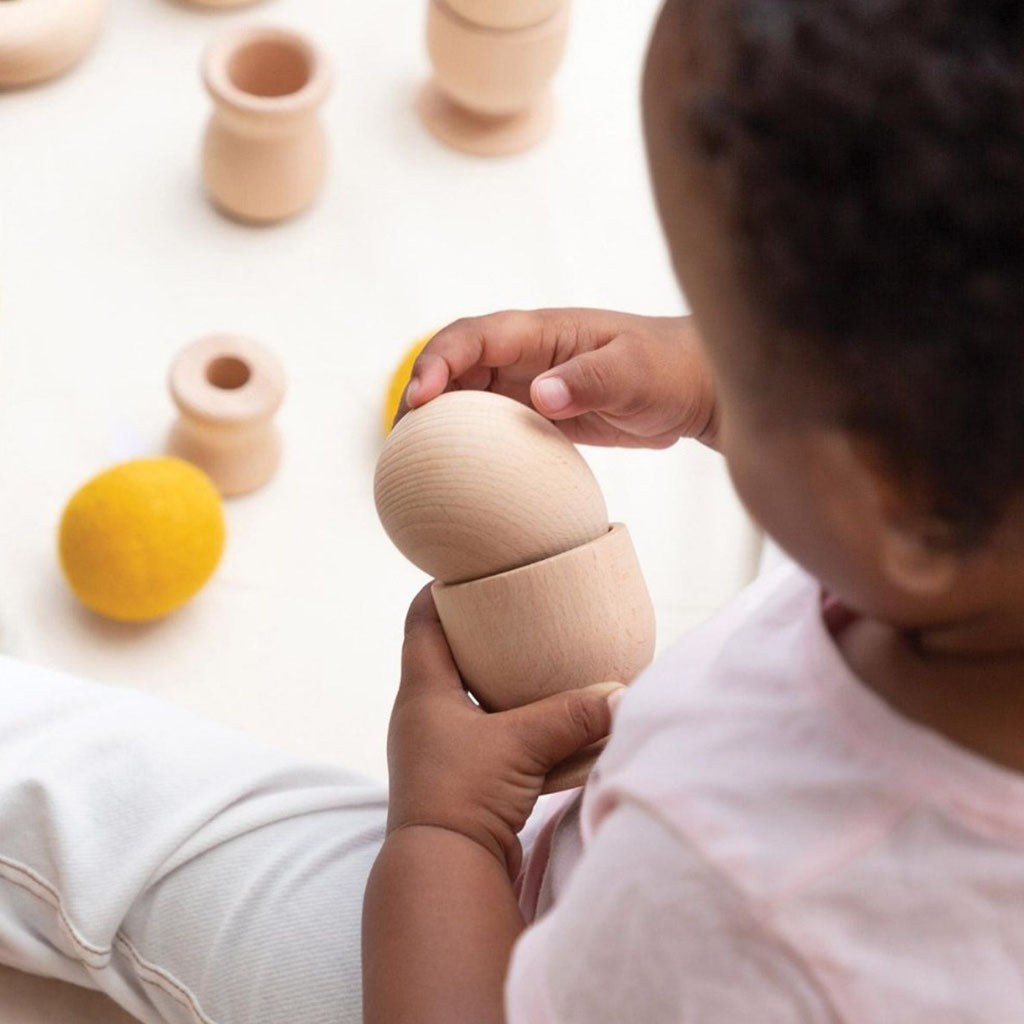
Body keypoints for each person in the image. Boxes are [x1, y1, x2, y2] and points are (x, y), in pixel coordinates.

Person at [4, 0, 1024, 1021]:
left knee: (110, 813)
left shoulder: (740, 904)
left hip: (486, 956)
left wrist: (445, 834)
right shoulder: (974, 551)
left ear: (891, 492)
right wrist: (722, 388)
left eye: (726, 332)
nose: (700, 345)